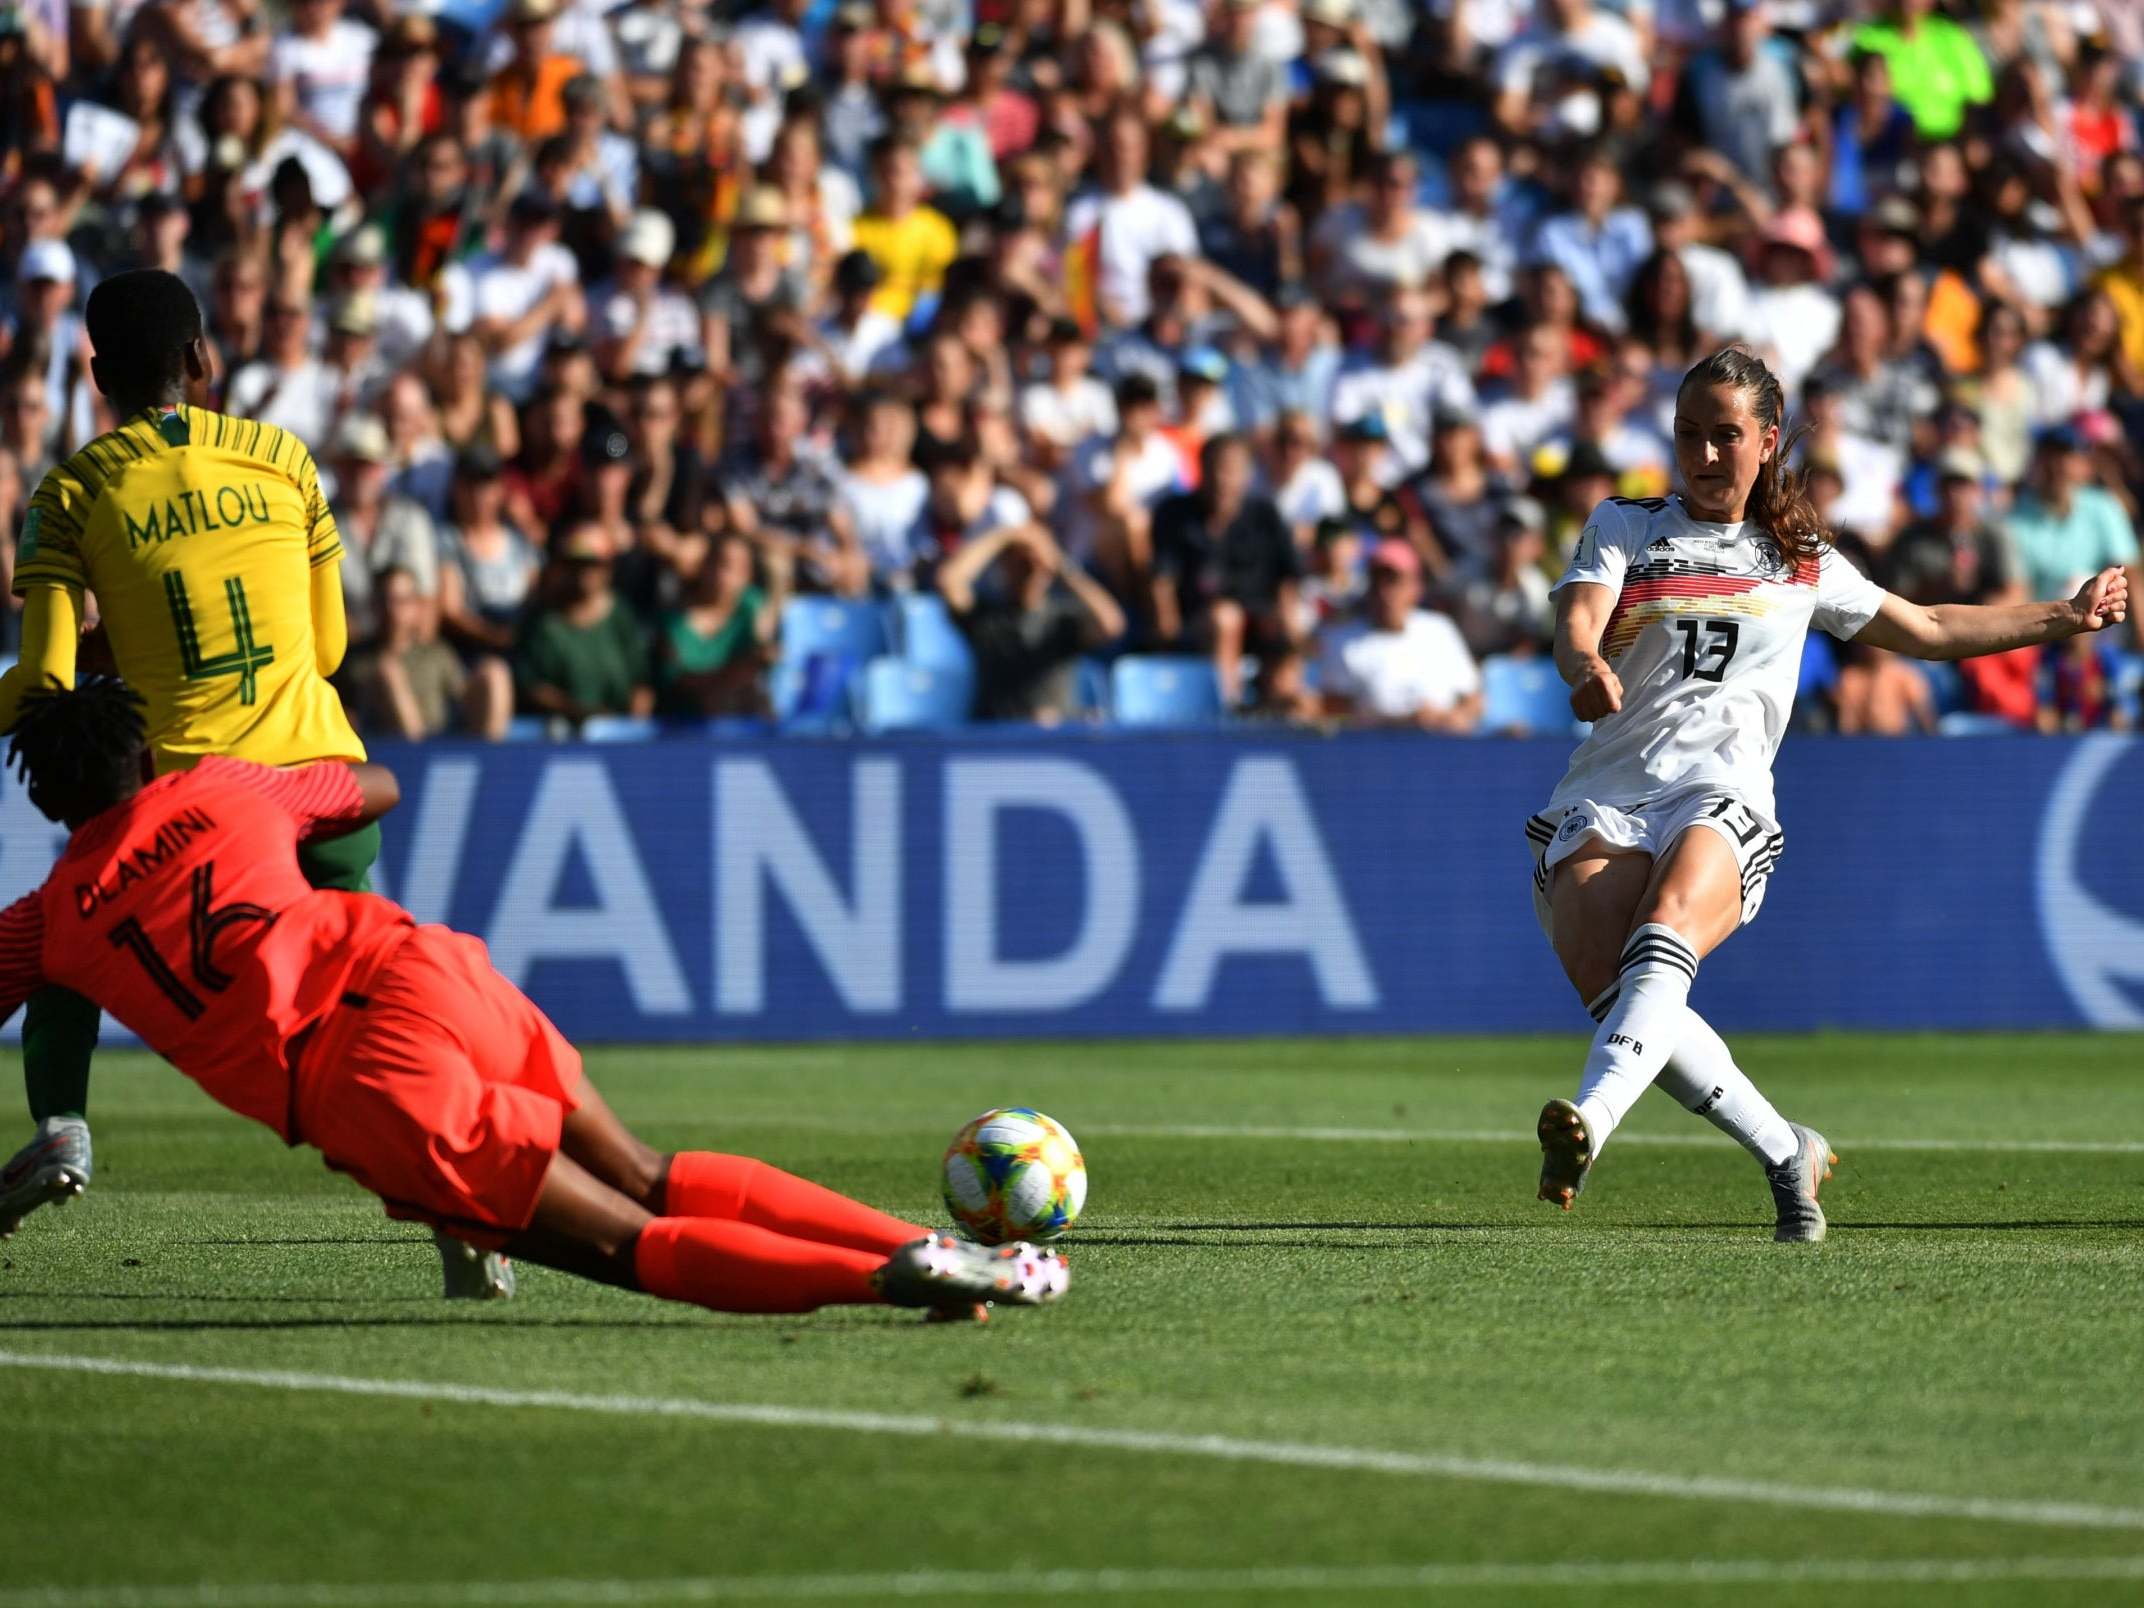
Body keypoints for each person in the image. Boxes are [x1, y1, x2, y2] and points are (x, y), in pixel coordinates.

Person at [0, 679, 1069, 1319]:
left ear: (44, 799)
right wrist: (250, 795)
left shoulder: (54, 917)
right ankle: (925, 1246)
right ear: (145, 749)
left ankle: (886, 1279)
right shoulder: (226, 784)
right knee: (648, 1171)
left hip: (358, 1079)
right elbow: (371, 789)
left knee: (619, 1246)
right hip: (424, 970)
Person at [1529, 345, 2128, 1241]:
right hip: (1608, 793)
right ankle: (1786, 1152)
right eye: (1689, 434)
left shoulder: (1800, 561)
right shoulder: (1624, 524)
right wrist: (1582, 665)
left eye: (1725, 436)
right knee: (1623, 995)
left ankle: (1591, 1124)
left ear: (1767, 441)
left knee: (1664, 940)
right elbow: (1579, 613)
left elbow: (1926, 627)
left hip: (1721, 793)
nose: (1704, 454)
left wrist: (2062, 615)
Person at [0, 268, 509, 1299]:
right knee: (378, 1000)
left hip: (187, 811)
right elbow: (323, 646)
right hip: (321, 778)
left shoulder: (72, 492)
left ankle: (60, 1127)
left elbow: (48, 685)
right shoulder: (285, 459)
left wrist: (125, 656)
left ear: (97, 377)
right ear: (203, 360)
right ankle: (456, 1203)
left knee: (63, 945)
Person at [938, 522, 1124, 723]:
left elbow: (1110, 624)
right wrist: (1004, 536)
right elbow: (949, 581)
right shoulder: (985, 617)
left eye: (1037, 564)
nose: (1031, 570)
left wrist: (1061, 564)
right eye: (1021, 562)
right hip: (995, 739)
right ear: (1005, 565)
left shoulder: (1063, 619)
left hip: (1054, 739)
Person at [1316, 538, 1482, 730]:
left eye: (1394, 581)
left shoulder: (1440, 630)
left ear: (1415, 587)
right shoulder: (1343, 641)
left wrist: (1456, 717)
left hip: (1444, 748)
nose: (1385, 592)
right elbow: (1334, 714)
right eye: (1378, 581)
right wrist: (1404, 722)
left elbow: (1474, 699)